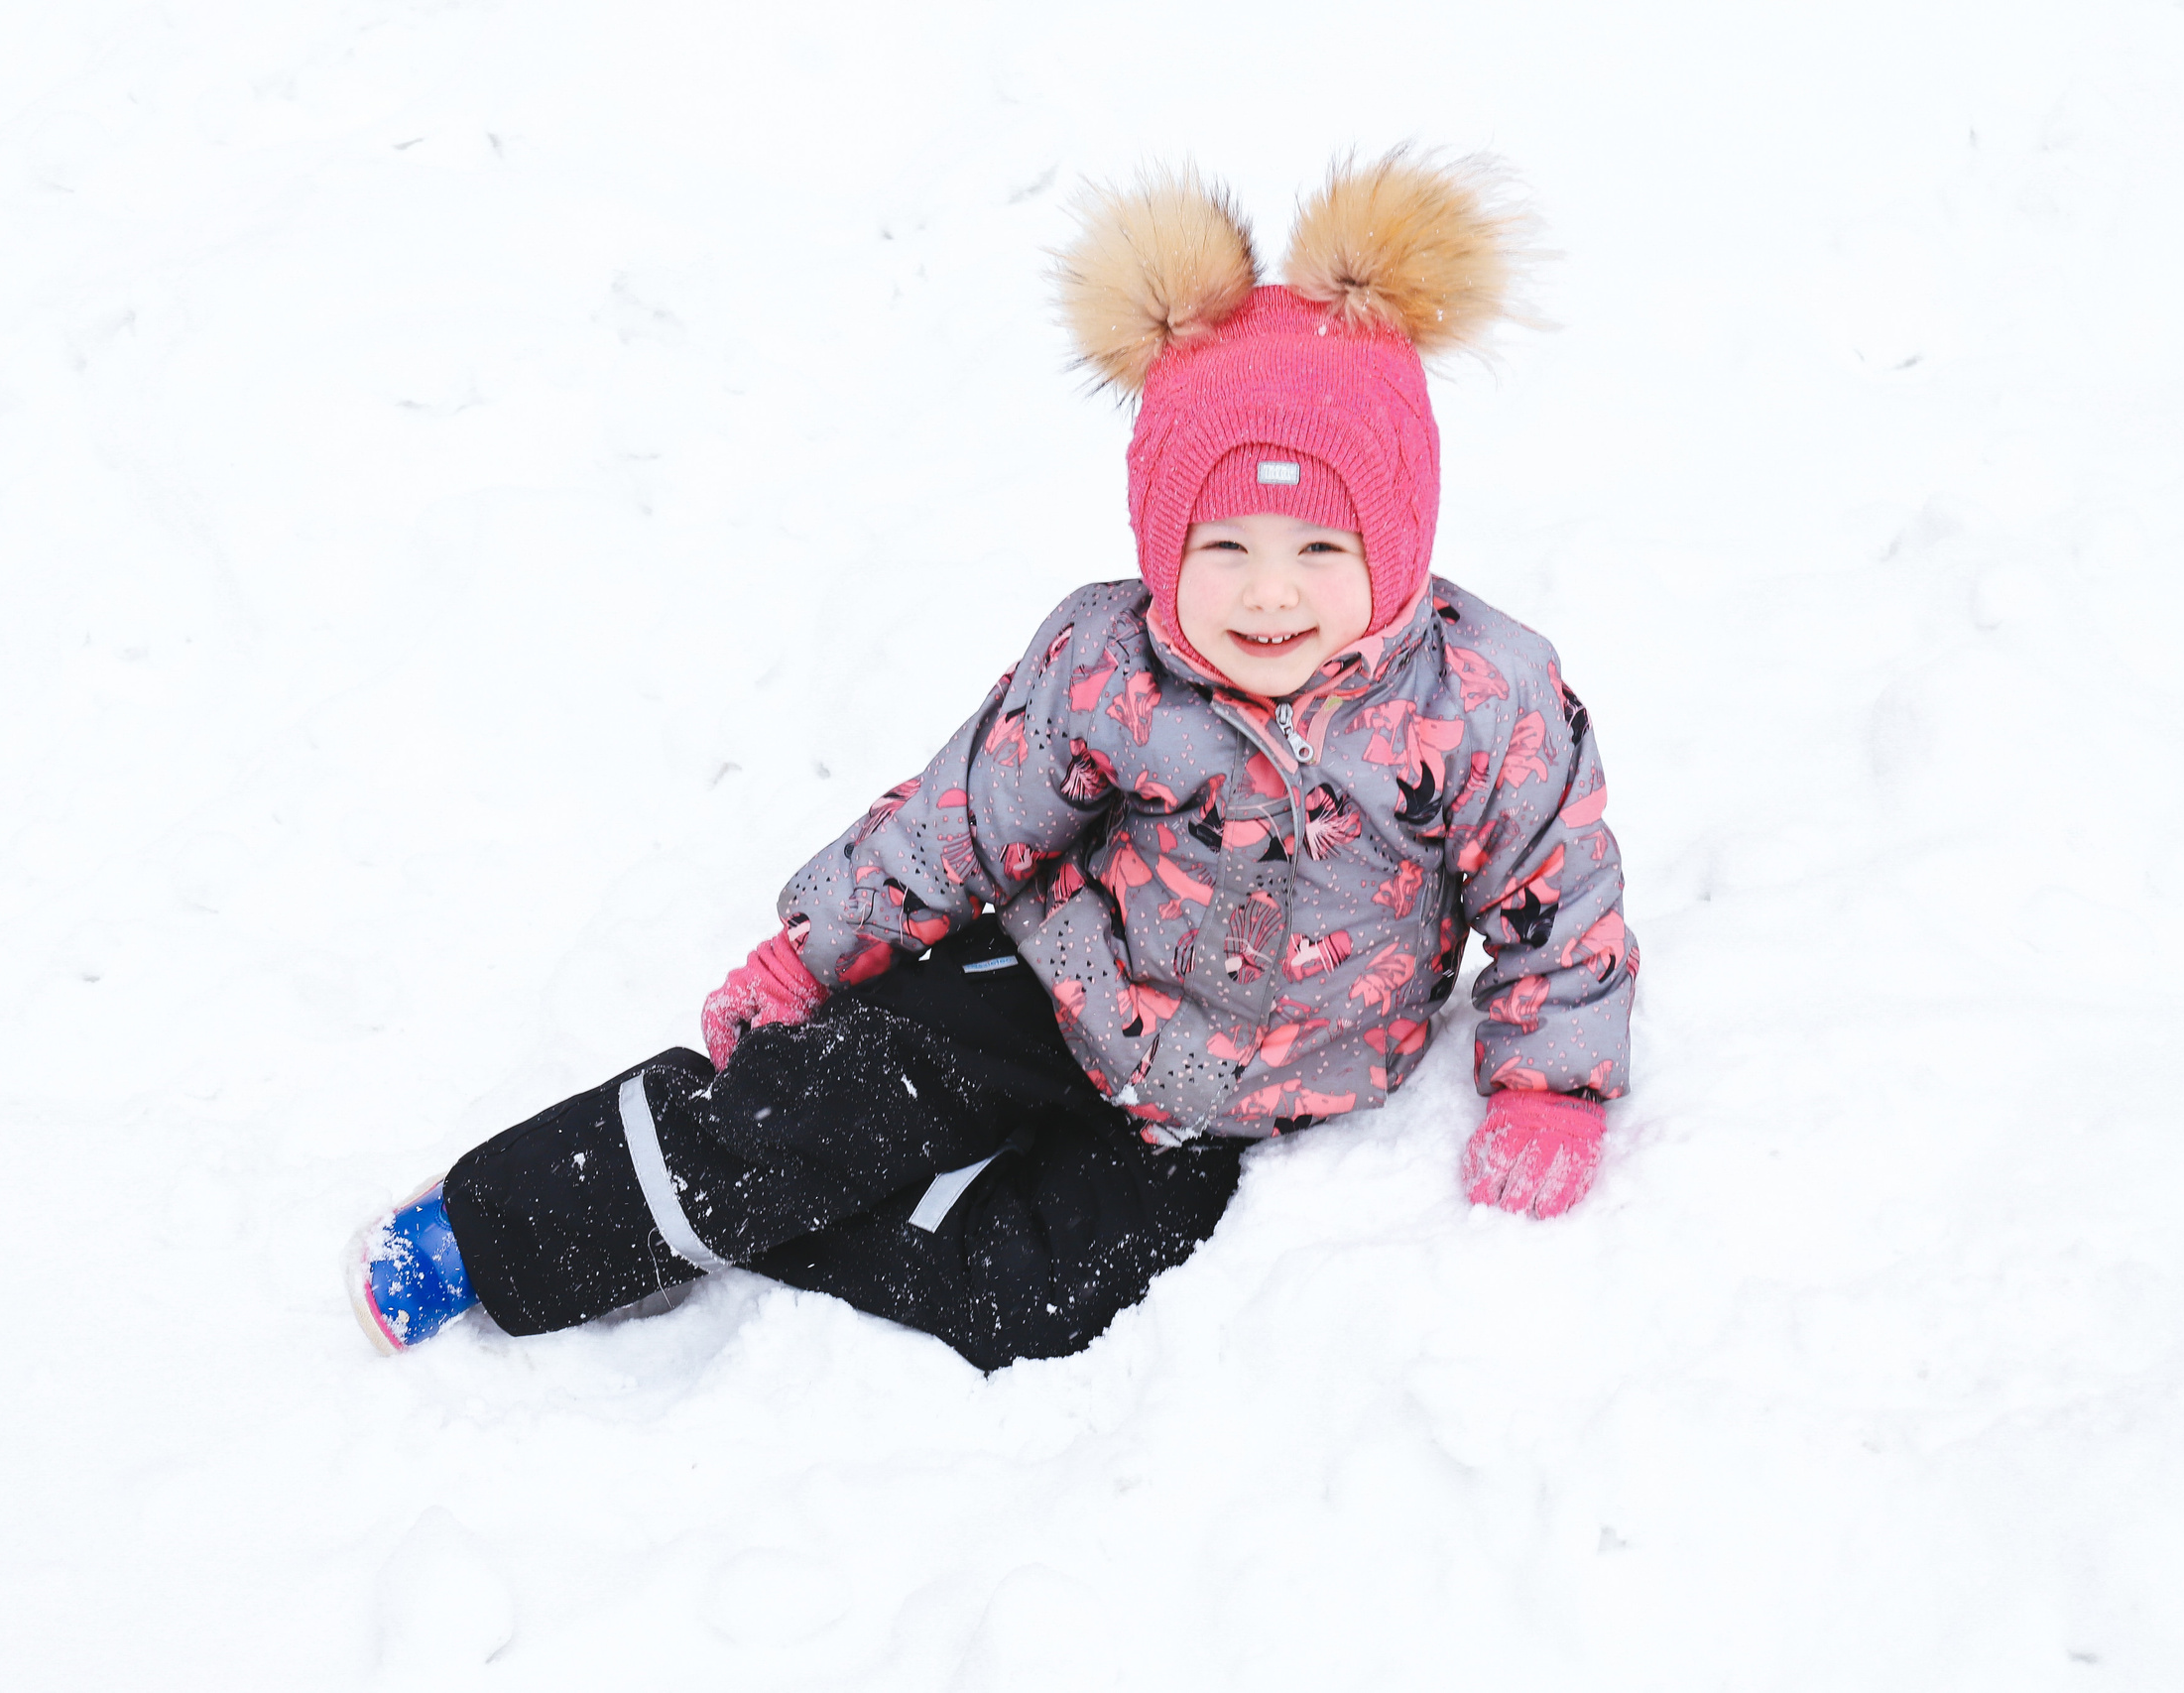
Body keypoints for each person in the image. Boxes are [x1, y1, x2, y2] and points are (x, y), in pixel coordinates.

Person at [349, 152, 1638, 1371]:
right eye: (1223, 547)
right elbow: (963, 820)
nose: (1267, 596)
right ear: (1161, 542)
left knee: (1026, 1302)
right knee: (794, 1120)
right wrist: (813, 951)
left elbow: (1558, 903)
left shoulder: (1486, 702)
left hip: (1242, 1096)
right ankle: (508, 1228)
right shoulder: (1106, 667)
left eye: (1318, 551)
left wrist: (1550, 1093)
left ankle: (756, 1223)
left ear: (1398, 540)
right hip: (1047, 980)